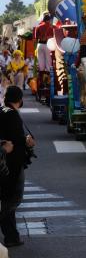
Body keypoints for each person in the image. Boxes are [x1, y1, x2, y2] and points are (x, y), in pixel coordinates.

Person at [0, 86, 35, 247]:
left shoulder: (3, 111)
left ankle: (12, 236)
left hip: (5, 163)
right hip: (12, 164)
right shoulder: (12, 115)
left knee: (8, 199)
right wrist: (27, 142)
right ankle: (10, 235)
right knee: (12, 200)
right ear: (20, 99)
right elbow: (15, 142)